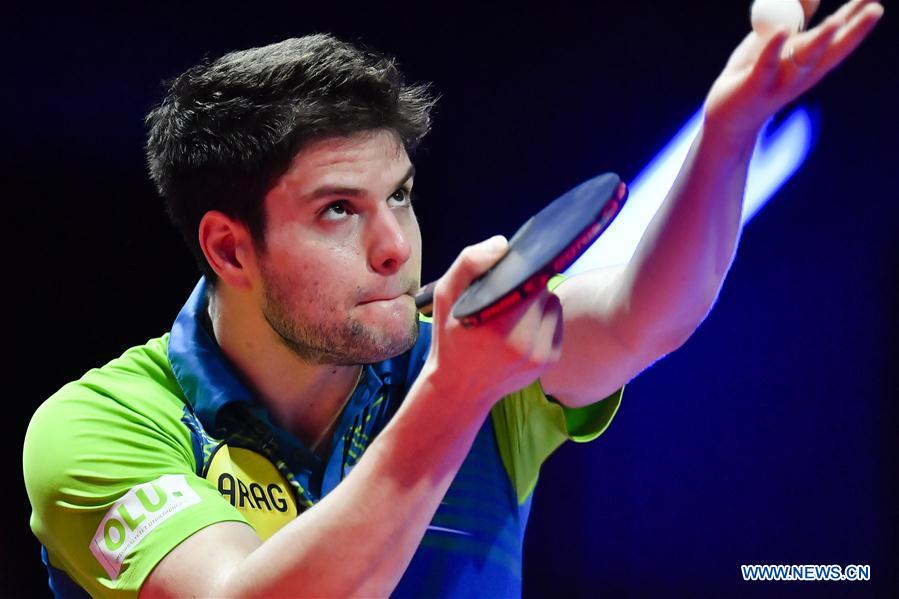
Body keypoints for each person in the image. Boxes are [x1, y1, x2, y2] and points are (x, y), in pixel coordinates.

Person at [22, 1, 883, 597]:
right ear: (228, 246)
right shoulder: (102, 427)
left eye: (397, 194)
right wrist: (454, 393)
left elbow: (643, 313)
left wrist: (729, 134)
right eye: (337, 210)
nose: (395, 243)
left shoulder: (454, 350)